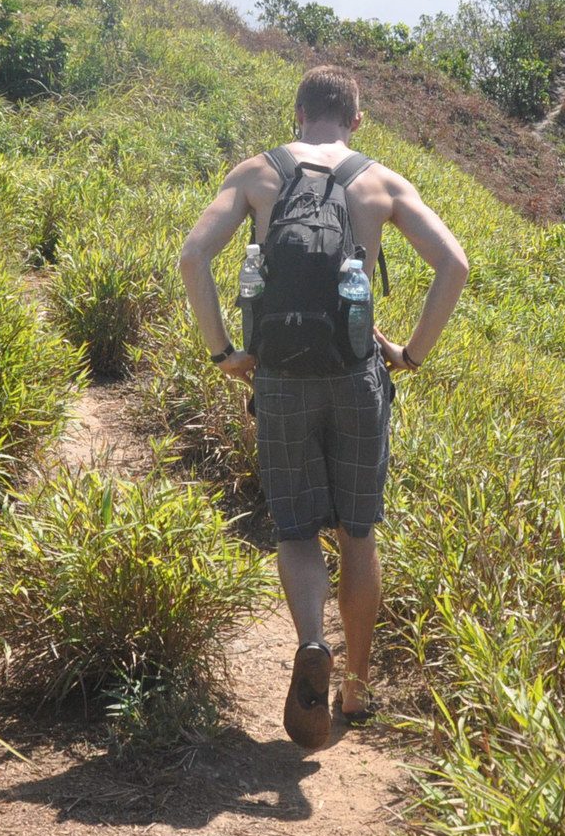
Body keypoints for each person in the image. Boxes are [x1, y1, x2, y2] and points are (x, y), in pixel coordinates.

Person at [176, 64, 470, 749]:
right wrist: (410, 353)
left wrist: (224, 351)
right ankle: (357, 688)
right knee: (358, 533)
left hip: (279, 374)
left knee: (297, 529)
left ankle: (313, 641)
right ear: (356, 121)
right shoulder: (381, 181)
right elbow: (453, 264)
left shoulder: (257, 173)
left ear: (298, 115)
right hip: (357, 372)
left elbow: (194, 256)